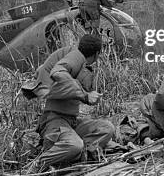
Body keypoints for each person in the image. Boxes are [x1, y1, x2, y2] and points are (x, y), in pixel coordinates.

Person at [34, 34, 115, 168]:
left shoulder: (78, 61)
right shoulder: (76, 57)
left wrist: (87, 94)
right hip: (54, 121)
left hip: (70, 121)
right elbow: (57, 72)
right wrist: (85, 96)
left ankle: (80, 154)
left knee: (107, 128)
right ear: (97, 54)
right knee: (74, 145)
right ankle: (40, 162)